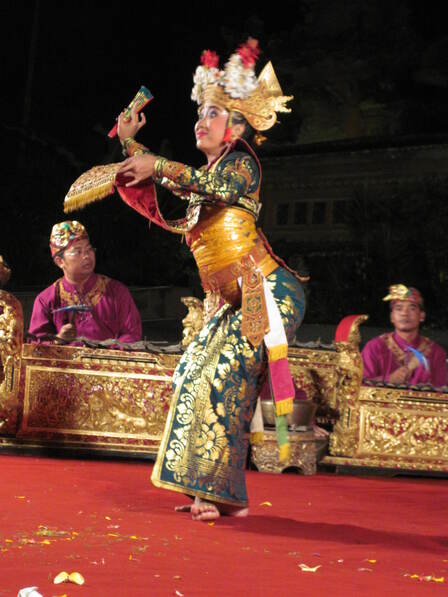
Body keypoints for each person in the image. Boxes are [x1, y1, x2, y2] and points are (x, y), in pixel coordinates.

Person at [115, 39, 307, 521]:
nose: (201, 119)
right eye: (199, 111)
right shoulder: (204, 177)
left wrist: (156, 164)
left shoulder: (240, 163)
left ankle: (220, 497)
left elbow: (203, 184)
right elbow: (169, 182)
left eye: (214, 112)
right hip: (232, 300)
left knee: (225, 380)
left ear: (237, 126)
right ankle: (215, 492)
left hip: (266, 291)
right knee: (194, 376)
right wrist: (129, 144)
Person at [28, 220, 142, 344]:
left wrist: (102, 354)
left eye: (89, 249)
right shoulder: (46, 300)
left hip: (108, 362)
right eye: (78, 251)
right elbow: (35, 346)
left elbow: (132, 335)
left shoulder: (117, 291)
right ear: (60, 261)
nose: (87, 256)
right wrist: (58, 340)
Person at [362, 284, 447, 387]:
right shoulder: (374, 347)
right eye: (399, 308)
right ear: (391, 317)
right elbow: (358, 387)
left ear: (422, 316)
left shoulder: (435, 352)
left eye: (412, 308)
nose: (404, 313)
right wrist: (389, 379)